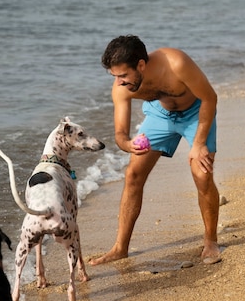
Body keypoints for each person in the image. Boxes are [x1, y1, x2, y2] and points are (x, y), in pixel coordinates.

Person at [90, 34, 221, 266]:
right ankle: (121, 248)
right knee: (133, 175)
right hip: (160, 115)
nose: (118, 81)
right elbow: (120, 134)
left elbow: (210, 98)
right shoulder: (122, 88)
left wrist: (199, 144)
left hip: (196, 113)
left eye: (123, 75)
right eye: (114, 76)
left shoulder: (176, 63)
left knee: (202, 175)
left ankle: (210, 241)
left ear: (141, 64)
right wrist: (128, 144)